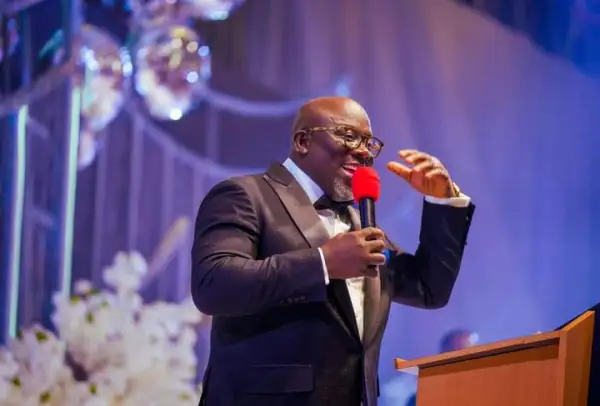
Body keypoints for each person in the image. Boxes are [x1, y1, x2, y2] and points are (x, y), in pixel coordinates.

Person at [191, 96, 475, 406]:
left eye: (369, 143)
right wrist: (323, 262)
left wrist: (444, 201)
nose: (364, 151)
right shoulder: (246, 195)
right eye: (349, 135)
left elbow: (428, 288)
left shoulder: (358, 222)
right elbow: (213, 286)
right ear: (303, 141)